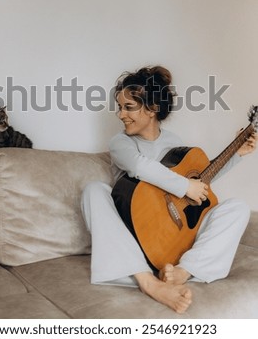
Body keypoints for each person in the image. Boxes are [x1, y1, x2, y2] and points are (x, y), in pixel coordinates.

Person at [81, 66, 256, 314]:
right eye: (119, 107)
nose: (120, 114)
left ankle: (182, 272)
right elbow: (139, 166)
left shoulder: (174, 143)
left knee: (237, 208)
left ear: (152, 109)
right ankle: (149, 282)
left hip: (172, 237)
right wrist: (185, 185)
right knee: (93, 190)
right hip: (134, 237)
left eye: (128, 107)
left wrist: (237, 154)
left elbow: (201, 182)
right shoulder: (121, 142)